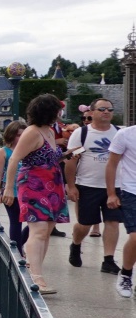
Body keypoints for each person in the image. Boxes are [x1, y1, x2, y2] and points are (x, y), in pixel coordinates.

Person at [1, 94, 70, 294]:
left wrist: (65, 154)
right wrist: (8, 188)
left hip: (52, 184)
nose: (60, 113)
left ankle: (35, 272)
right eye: (58, 109)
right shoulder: (31, 132)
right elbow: (14, 159)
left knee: (46, 231)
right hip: (34, 184)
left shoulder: (47, 131)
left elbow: (49, 156)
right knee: (38, 230)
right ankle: (36, 278)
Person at [66, 99, 120, 273]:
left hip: (114, 186)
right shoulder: (81, 134)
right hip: (87, 185)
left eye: (110, 109)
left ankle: (108, 259)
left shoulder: (119, 133)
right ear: (92, 112)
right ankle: (76, 244)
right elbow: (71, 161)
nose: (106, 112)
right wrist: (71, 186)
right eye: (102, 109)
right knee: (85, 224)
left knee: (112, 222)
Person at [104, 117, 136, 298]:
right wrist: (111, 193)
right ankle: (125, 274)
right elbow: (112, 164)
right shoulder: (125, 135)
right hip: (132, 191)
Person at [0, 121, 29, 255]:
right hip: (11, 192)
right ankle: (17, 252)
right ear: (12, 135)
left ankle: (18, 245)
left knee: (36, 223)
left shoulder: (30, 150)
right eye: (19, 135)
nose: (22, 138)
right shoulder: (3, 152)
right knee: (16, 222)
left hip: (30, 191)